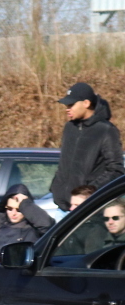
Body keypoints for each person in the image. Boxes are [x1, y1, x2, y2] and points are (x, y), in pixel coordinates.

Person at [50, 82, 124, 211]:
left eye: (71, 104)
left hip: (88, 211)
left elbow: (116, 170)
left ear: (86, 103)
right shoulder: (69, 128)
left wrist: (89, 193)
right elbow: (64, 165)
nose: (67, 108)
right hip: (62, 207)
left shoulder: (106, 130)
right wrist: (56, 188)